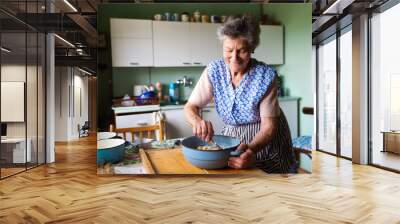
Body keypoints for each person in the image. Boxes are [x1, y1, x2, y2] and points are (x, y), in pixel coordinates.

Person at [184, 14, 297, 173]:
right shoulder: (214, 70)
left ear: (252, 48)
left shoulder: (265, 76)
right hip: (232, 137)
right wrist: (197, 121)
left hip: (264, 139)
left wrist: (251, 150)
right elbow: (190, 106)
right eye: (229, 50)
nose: (234, 57)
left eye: (242, 51)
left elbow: (269, 127)